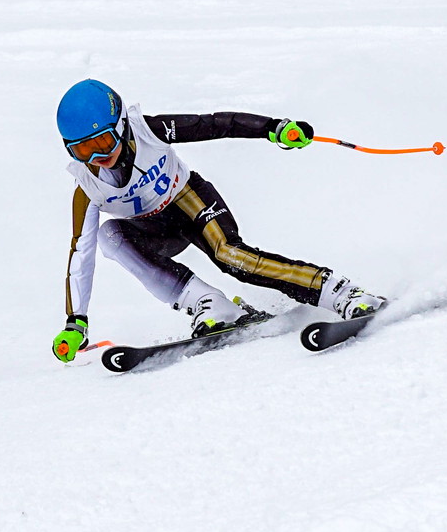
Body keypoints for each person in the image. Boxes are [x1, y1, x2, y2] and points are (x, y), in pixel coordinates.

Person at [50, 80, 386, 361]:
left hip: (188, 201)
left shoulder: (150, 130)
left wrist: (273, 128)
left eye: (104, 142)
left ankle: (342, 293)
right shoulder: (87, 188)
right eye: (83, 151)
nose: (98, 157)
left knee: (230, 256)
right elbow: (80, 254)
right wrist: (75, 321)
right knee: (109, 235)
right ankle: (209, 305)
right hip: (154, 232)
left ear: (121, 125)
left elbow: (213, 124)